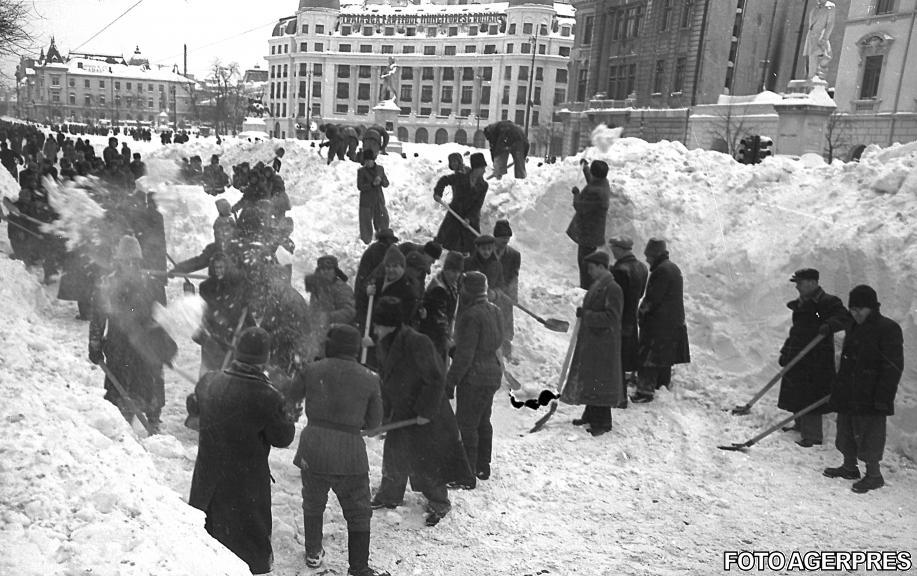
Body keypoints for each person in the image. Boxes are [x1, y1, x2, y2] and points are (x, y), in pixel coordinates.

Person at [187, 327, 295, 575]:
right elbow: (283, 437)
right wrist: (286, 414)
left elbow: (193, 406)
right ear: (265, 358)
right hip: (244, 486)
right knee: (245, 547)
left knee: (208, 540)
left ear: (237, 351)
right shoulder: (268, 395)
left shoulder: (210, 380)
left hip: (208, 479)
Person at [285, 325, 389, 576]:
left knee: (313, 502)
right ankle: (359, 567)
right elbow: (375, 425)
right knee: (358, 510)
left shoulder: (312, 370)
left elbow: (289, 396)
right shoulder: (370, 378)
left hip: (314, 448)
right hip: (349, 453)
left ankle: (312, 551)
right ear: (355, 349)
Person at [367, 297, 473, 527]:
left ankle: (439, 501)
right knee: (395, 451)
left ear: (389, 324)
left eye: (378, 324)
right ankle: (389, 494)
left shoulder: (417, 342)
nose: (374, 329)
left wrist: (425, 411)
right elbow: (387, 381)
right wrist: (383, 416)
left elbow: (435, 379)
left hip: (427, 412)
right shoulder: (385, 341)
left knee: (427, 458)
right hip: (403, 408)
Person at [88, 235, 177, 432]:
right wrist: (95, 344)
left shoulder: (151, 283)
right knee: (120, 385)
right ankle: (121, 421)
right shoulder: (107, 284)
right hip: (118, 342)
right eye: (126, 261)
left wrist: (164, 345)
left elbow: (161, 316)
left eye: (134, 261)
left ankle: (153, 418)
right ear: (118, 262)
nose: (130, 265)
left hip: (146, 341)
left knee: (151, 381)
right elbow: (98, 317)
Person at [825, 285, 903, 493]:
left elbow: (893, 367)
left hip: (872, 394)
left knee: (870, 434)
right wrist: (839, 387)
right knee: (846, 429)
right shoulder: (852, 326)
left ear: (872, 308)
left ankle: (874, 475)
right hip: (849, 390)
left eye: (861, 309)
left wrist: (883, 397)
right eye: (853, 309)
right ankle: (849, 467)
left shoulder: (888, 328)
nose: (856, 313)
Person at [776, 268, 850, 447]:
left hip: (816, 357)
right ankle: (799, 425)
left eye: (800, 283)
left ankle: (813, 436)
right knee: (797, 391)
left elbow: (844, 318)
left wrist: (829, 324)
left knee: (811, 394)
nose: (797, 288)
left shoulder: (827, 302)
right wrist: (786, 351)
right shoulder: (802, 302)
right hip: (799, 352)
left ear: (812, 283)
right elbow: (796, 330)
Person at [447, 271, 504, 484]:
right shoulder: (495, 311)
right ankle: (482, 466)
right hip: (492, 371)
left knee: (466, 424)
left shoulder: (471, 315)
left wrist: (451, 380)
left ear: (467, 290)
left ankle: (466, 473)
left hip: (474, 377)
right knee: (483, 420)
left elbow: (465, 355)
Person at [562, 251, 623, 436]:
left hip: (603, 344)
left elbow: (612, 317)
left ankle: (603, 422)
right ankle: (590, 414)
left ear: (601, 267)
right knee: (592, 378)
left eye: (591, 268)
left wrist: (587, 316)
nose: (588, 272)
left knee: (600, 382)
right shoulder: (599, 285)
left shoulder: (613, 288)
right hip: (594, 341)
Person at [631, 238, 690, 404]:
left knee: (649, 357)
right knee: (665, 357)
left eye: (649, 255)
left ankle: (645, 391)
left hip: (659, 324)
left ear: (656, 254)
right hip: (671, 323)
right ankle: (661, 385)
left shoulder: (661, 271)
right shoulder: (672, 268)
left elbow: (652, 299)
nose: (647, 259)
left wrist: (641, 313)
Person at [609, 235, 648, 407]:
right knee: (625, 359)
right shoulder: (642, 268)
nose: (612, 251)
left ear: (620, 249)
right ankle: (620, 395)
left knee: (616, 358)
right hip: (631, 318)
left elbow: (615, 297)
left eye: (613, 248)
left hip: (619, 319)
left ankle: (619, 397)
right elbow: (639, 295)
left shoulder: (620, 270)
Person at [567, 160, 610, 290]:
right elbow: (592, 181)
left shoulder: (595, 192)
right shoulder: (603, 183)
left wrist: (576, 194)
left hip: (589, 232)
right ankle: (587, 285)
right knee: (587, 260)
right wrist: (586, 168)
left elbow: (580, 206)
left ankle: (586, 287)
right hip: (593, 231)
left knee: (585, 262)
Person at [433, 153, 489, 254]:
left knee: (473, 245)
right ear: (476, 168)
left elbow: (478, 205)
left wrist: (469, 218)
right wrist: (438, 193)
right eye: (483, 168)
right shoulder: (460, 177)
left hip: (471, 218)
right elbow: (444, 180)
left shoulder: (483, 185)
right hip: (455, 214)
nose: (485, 171)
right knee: (450, 242)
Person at [305, 255, 357, 356]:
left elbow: (349, 312)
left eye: (329, 269)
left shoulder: (342, 289)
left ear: (335, 271)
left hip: (334, 337)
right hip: (316, 335)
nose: (325, 272)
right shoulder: (317, 287)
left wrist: (327, 317)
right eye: (322, 269)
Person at [419, 251, 464, 362]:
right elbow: (439, 318)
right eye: (453, 271)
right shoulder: (439, 289)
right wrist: (446, 339)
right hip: (432, 336)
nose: (456, 275)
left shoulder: (450, 282)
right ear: (446, 269)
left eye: (458, 272)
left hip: (439, 335)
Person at [493, 219, 520, 360]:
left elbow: (514, 276)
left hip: (505, 296)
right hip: (489, 293)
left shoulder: (514, 255)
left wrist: (513, 295)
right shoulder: (486, 251)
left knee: (506, 323)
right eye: (502, 238)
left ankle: (506, 352)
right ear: (495, 238)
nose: (505, 241)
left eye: (507, 238)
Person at [356, 150, 391, 245]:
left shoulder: (380, 169)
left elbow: (386, 183)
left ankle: (383, 238)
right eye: (366, 161)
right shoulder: (361, 171)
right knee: (365, 222)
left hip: (378, 199)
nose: (368, 163)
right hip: (366, 201)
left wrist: (381, 180)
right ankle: (366, 241)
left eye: (369, 161)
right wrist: (372, 184)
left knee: (382, 220)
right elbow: (360, 186)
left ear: (373, 160)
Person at [463, 234, 504, 302]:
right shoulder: (467, 262)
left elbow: (501, 286)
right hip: (468, 301)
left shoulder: (497, 266)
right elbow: (460, 282)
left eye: (489, 249)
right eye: (483, 249)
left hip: (487, 303)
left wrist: (495, 294)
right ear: (477, 248)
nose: (487, 252)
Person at [803, 0, 836, 80]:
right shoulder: (815, 8)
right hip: (810, 36)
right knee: (809, 59)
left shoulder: (830, 7)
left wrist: (825, 38)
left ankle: (814, 79)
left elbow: (830, 24)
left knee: (824, 56)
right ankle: (809, 79)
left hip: (820, 36)